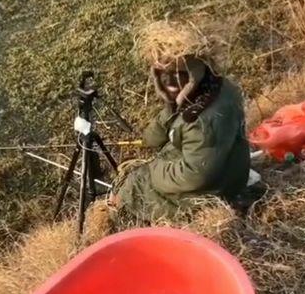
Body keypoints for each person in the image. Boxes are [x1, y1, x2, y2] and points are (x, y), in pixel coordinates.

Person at [108, 20, 253, 222]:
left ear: (194, 72)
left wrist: (154, 169)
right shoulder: (208, 87)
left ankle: (121, 220)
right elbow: (155, 137)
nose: (169, 81)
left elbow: (194, 176)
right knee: (138, 176)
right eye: (162, 74)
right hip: (226, 167)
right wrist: (168, 110)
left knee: (133, 187)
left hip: (215, 190)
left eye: (179, 74)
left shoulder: (203, 122)